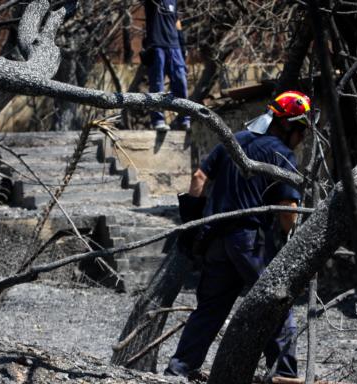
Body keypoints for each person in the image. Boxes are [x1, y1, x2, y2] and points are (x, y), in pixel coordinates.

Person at [165, 91, 318, 379]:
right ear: (289, 125)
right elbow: (288, 207)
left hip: (215, 240)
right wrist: (291, 240)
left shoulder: (234, 141)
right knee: (277, 306)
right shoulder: (280, 155)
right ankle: (284, 375)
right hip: (250, 242)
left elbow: (198, 178)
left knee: (210, 309)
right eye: (302, 132)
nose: (302, 140)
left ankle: (179, 369)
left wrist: (192, 223)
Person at [143, 0, 190, 132]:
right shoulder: (152, 3)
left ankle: (184, 119)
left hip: (174, 47)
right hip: (157, 45)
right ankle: (158, 120)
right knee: (157, 85)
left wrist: (182, 44)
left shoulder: (173, 1)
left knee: (181, 83)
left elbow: (176, 22)